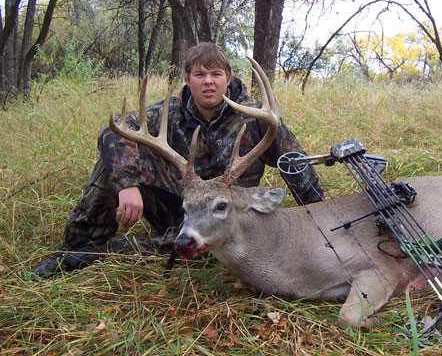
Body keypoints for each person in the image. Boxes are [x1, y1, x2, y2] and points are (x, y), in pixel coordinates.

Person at [33, 42, 323, 277]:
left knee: (193, 251)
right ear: (188, 80)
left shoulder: (256, 116)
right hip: (181, 206)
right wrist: (127, 184)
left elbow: (295, 164)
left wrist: (321, 222)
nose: (208, 82)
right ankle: (81, 245)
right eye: (199, 75)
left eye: (216, 74)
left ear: (228, 79)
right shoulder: (168, 113)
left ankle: (138, 248)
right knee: (116, 158)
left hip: (230, 216)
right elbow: (114, 131)